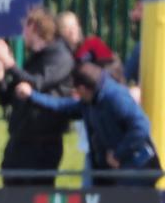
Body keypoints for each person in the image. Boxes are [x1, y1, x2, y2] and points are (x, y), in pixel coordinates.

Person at [15, 62, 161, 186]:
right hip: (112, 173)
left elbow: (141, 127)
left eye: (76, 90)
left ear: (84, 89)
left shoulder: (115, 97)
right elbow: (63, 106)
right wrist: (32, 96)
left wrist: (119, 154)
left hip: (137, 172)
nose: (75, 94)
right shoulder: (90, 100)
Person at [0, 7, 74, 187]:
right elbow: (7, 98)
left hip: (43, 145)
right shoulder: (35, 58)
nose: (23, 33)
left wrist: (9, 63)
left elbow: (37, 83)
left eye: (26, 28)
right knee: (11, 192)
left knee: (37, 199)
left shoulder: (60, 56)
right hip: (20, 141)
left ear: (36, 28)